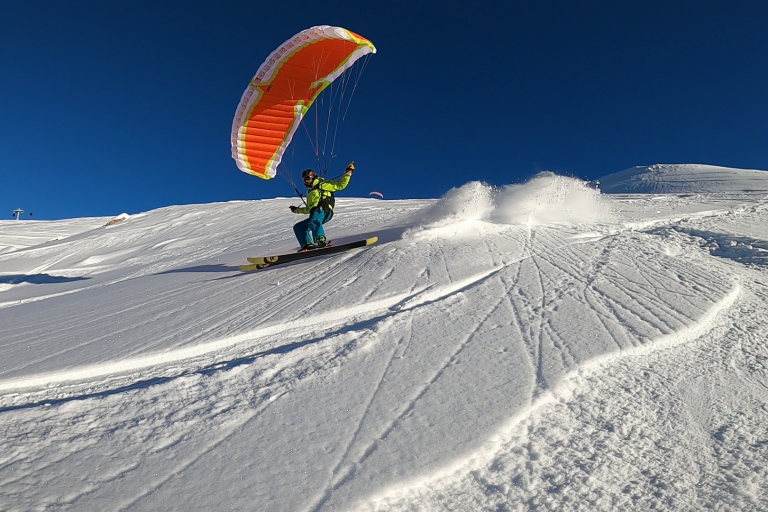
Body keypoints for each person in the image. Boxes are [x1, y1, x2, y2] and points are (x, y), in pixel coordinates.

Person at [289, 162, 355, 251]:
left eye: (308, 178)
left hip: (324, 209)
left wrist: (348, 172)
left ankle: (321, 242)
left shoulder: (322, 184)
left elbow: (340, 185)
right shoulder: (310, 192)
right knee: (299, 227)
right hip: (315, 213)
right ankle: (307, 245)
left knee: (313, 222)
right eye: (305, 179)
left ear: (312, 177)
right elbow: (309, 209)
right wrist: (297, 210)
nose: (306, 181)